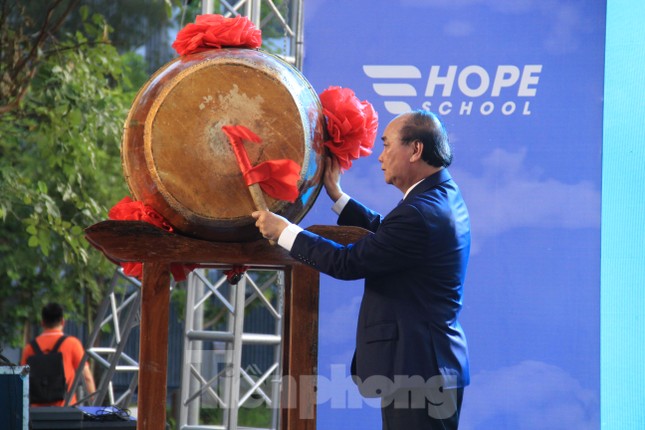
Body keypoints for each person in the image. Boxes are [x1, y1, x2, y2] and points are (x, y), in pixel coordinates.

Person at [253, 109, 470, 429]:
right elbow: (389, 238)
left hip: (418, 372)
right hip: (426, 367)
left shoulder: (420, 213)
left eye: (387, 145)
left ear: (415, 150)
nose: (380, 156)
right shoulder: (439, 197)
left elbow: (348, 262)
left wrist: (286, 232)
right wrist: (338, 197)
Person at [21, 302, 96, 406]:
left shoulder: (29, 348)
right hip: (65, 408)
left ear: (42, 323)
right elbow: (86, 377)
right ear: (63, 321)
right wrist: (95, 403)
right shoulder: (72, 344)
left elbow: (22, 380)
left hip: (37, 411)